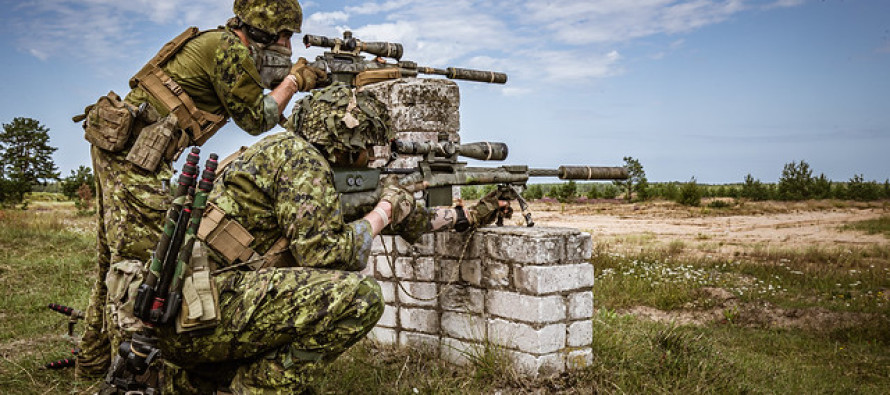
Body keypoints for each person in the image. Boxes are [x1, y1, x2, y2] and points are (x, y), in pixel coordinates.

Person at [153, 84, 511, 393]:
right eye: (366, 148)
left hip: (185, 313)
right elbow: (325, 255)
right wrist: (382, 212)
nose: (370, 159)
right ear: (344, 143)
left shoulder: (276, 151)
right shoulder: (302, 162)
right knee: (360, 299)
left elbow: (411, 219)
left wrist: (470, 214)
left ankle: (192, 381)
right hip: (202, 316)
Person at [75, 0, 327, 378]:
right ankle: (131, 377)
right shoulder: (229, 50)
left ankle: (91, 363)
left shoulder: (219, 43)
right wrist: (294, 81)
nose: (288, 46)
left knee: (110, 258)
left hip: (121, 148)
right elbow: (258, 119)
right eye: (284, 35)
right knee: (139, 266)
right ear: (261, 30)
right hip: (134, 158)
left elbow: (252, 88)